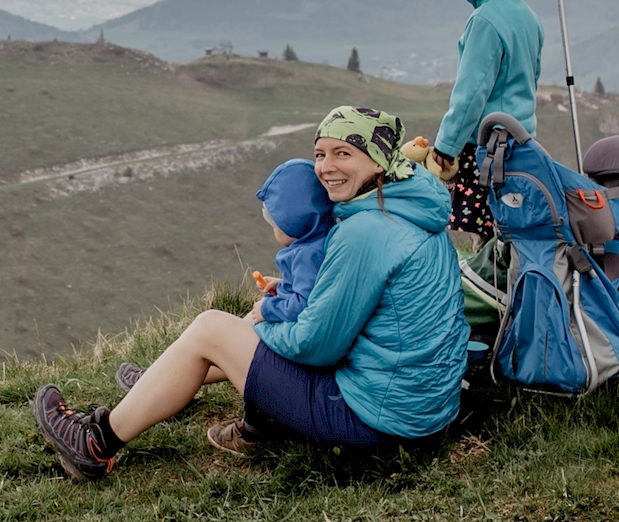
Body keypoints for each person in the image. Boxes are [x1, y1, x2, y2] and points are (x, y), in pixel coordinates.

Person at [32, 105, 469, 481]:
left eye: (343, 154)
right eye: (319, 153)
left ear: (377, 161)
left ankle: (95, 444)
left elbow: (316, 347)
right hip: (422, 406)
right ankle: (159, 385)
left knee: (213, 329)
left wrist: (265, 319)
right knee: (249, 324)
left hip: (378, 419)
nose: (326, 167)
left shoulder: (367, 232)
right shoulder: (406, 202)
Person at [427, 0, 544, 231]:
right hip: (522, 140)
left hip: (486, 146)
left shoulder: (485, 20)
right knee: (511, 221)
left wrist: (446, 145)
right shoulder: (529, 17)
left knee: (485, 227)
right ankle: (511, 273)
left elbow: (471, 92)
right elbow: (533, 75)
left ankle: (484, 276)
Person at [253, 158, 336, 323]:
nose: (274, 229)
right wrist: (283, 285)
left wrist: (267, 309)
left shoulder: (309, 255)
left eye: (276, 223)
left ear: (294, 222)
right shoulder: (321, 242)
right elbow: (312, 288)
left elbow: (304, 306)